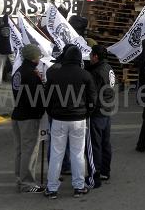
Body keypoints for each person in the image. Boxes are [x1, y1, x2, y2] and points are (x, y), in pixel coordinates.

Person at [45, 46, 97, 199]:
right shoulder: (85, 75)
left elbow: (46, 98)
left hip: (59, 119)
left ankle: (52, 188)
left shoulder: (55, 74)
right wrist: (86, 113)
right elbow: (92, 99)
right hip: (79, 119)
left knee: (56, 154)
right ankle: (79, 187)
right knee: (78, 154)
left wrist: (52, 113)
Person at [11, 44, 45, 193]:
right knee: (29, 151)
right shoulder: (31, 74)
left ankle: (20, 179)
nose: (39, 58)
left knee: (21, 150)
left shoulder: (18, 72)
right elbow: (37, 98)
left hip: (18, 114)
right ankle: (27, 183)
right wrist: (41, 112)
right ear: (33, 57)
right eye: (38, 56)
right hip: (28, 117)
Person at [87, 45, 116, 188]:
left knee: (95, 144)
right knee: (105, 142)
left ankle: (95, 173)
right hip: (107, 109)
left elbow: (92, 93)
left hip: (98, 111)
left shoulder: (97, 71)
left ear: (96, 56)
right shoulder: (109, 68)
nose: (89, 57)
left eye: (91, 55)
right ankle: (105, 170)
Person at [0, 14, 14, 88]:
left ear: (3, 20)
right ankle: (16, 81)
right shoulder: (13, 28)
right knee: (15, 66)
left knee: (0, 67)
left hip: (1, 50)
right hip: (11, 50)